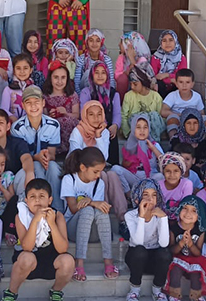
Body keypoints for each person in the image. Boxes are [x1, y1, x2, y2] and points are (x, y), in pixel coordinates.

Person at [2, 179, 74, 301]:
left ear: (49, 200)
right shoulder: (21, 216)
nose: (37, 200)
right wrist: (35, 220)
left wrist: (52, 224)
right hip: (28, 263)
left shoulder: (57, 216)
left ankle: (56, 291)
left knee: (68, 261)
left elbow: (63, 248)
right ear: (26, 200)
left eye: (41, 196)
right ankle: (11, 292)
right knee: (27, 258)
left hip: (51, 261)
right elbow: (27, 247)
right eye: (32, 196)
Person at [67, 100, 128, 229]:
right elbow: (76, 156)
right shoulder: (77, 131)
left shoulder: (104, 132)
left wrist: (98, 136)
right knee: (103, 176)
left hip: (99, 169)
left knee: (112, 175)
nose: (96, 118)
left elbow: (103, 158)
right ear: (85, 115)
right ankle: (102, 215)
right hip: (81, 171)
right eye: (91, 114)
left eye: (99, 114)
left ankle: (122, 219)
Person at [61, 148, 116, 281]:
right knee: (87, 210)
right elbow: (73, 208)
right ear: (83, 168)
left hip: (93, 232)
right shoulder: (70, 179)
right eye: (95, 171)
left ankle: (108, 261)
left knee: (101, 211)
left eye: (100, 171)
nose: (98, 175)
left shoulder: (99, 183)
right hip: (73, 229)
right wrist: (91, 202)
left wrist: (92, 203)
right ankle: (79, 263)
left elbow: (98, 208)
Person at [10, 86, 63, 211]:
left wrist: (46, 156)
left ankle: (57, 209)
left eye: (37, 102)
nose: (33, 106)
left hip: (46, 164)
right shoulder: (17, 128)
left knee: (53, 166)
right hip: (26, 166)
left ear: (43, 103)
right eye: (28, 103)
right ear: (23, 105)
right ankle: (39, 208)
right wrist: (36, 157)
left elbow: (52, 154)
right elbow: (21, 157)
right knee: (36, 166)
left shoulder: (54, 125)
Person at [124, 179, 171, 301]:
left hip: (154, 259)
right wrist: (141, 217)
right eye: (145, 195)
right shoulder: (130, 215)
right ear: (137, 199)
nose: (150, 199)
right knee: (140, 251)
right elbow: (138, 242)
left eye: (154, 195)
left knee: (165, 253)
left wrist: (164, 218)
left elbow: (164, 243)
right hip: (136, 258)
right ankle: (134, 290)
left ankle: (157, 290)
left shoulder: (160, 215)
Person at [164, 195, 206, 301]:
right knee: (175, 270)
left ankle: (196, 295)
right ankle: (174, 295)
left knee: (196, 273)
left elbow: (198, 253)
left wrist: (190, 244)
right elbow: (172, 250)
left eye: (194, 211)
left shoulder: (200, 231)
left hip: (194, 259)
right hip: (178, 258)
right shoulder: (174, 228)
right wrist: (181, 243)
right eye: (185, 208)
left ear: (200, 215)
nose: (188, 213)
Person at [0, 108, 35, 201]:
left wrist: (29, 173)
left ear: (8, 126)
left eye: (1, 123)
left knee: (26, 171)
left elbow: (26, 158)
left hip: (14, 185)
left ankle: (22, 206)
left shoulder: (17, 143)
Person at [78, 61, 121, 165]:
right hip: (89, 126)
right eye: (97, 72)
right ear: (92, 75)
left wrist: (115, 125)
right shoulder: (86, 92)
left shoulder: (114, 93)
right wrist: (96, 125)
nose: (100, 76)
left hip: (107, 126)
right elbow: (83, 112)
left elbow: (117, 113)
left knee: (111, 134)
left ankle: (112, 164)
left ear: (107, 75)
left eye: (103, 73)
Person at [111, 114, 164, 194]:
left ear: (149, 129)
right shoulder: (128, 145)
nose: (142, 130)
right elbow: (124, 165)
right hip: (134, 178)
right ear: (133, 129)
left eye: (145, 127)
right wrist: (129, 162)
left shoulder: (154, 144)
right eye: (138, 127)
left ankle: (146, 194)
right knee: (115, 169)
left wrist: (153, 148)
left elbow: (165, 162)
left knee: (160, 176)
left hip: (150, 178)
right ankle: (129, 194)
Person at [121, 62, 164, 142]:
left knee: (154, 115)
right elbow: (124, 116)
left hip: (152, 134)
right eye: (131, 84)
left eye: (135, 84)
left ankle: (153, 143)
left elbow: (160, 118)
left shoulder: (156, 97)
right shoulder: (128, 96)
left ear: (144, 82)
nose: (132, 87)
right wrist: (128, 133)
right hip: (133, 134)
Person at [161, 69, 206, 140]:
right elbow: (163, 111)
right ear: (176, 83)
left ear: (192, 84)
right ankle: (174, 140)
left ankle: (202, 139)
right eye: (181, 82)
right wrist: (179, 115)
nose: (184, 85)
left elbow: (201, 113)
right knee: (172, 118)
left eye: (187, 82)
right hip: (178, 120)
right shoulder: (172, 96)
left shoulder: (197, 96)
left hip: (192, 122)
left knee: (205, 118)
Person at [42, 61, 78, 153]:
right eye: (56, 77)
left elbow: (76, 115)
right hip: (52, 127)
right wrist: (50, 116)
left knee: (68, 121)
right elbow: (43, 116)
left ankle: (70, 151)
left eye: (63, 77)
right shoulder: (45, 96)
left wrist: (65, 113)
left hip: (69, 127)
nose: (59, 81)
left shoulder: (72, 95)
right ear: (50, 78)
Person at [74, 28, 115, 93]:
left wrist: (110, 95)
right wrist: (80, 96)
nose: (94, 43)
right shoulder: (81, 59)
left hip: (102, 91)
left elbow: (111, 81)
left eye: (97, 41)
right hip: (85, 92)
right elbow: (77, 82)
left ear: (101, 43)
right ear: (87, 42)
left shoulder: (107, 59)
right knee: (89, 72)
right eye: (91, 40)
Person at [115, 32, 152, 100]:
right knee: (122, 78)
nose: (119, 44)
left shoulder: (142, 60)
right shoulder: (122, 58)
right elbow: (117, 76)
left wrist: (132, 59)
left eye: (121, 42)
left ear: (129, 45)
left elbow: (139, 77)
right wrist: (125, 73)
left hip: (140, 92)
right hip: (126, 90)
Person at [151, 30, 188, 98]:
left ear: (175, 42)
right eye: (164, 40)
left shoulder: (181, 57)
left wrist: (167, 75)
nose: (167, 43)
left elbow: (182, 76)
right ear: (161, 43)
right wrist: (171, 79)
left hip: (176, 86)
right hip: (160, 87)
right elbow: (155, 76)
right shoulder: (156, 57)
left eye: (171, 40)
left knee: (181, 84)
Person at [157, 152, 193, 218]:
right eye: (168, 171)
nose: (172, 175)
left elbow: (185, 206)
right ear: (163, 172)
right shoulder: (158, 185)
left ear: (181, 172)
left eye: (176, 171)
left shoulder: (186, 184)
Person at [0, 54, 35, 121]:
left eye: (25, 68)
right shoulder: (8, 89)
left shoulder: (35, 89)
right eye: (18, 68)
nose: (22, 71)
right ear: (14, 70)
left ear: (31, 70)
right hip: (13, 123)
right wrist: (12, 117)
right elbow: (4, 109)